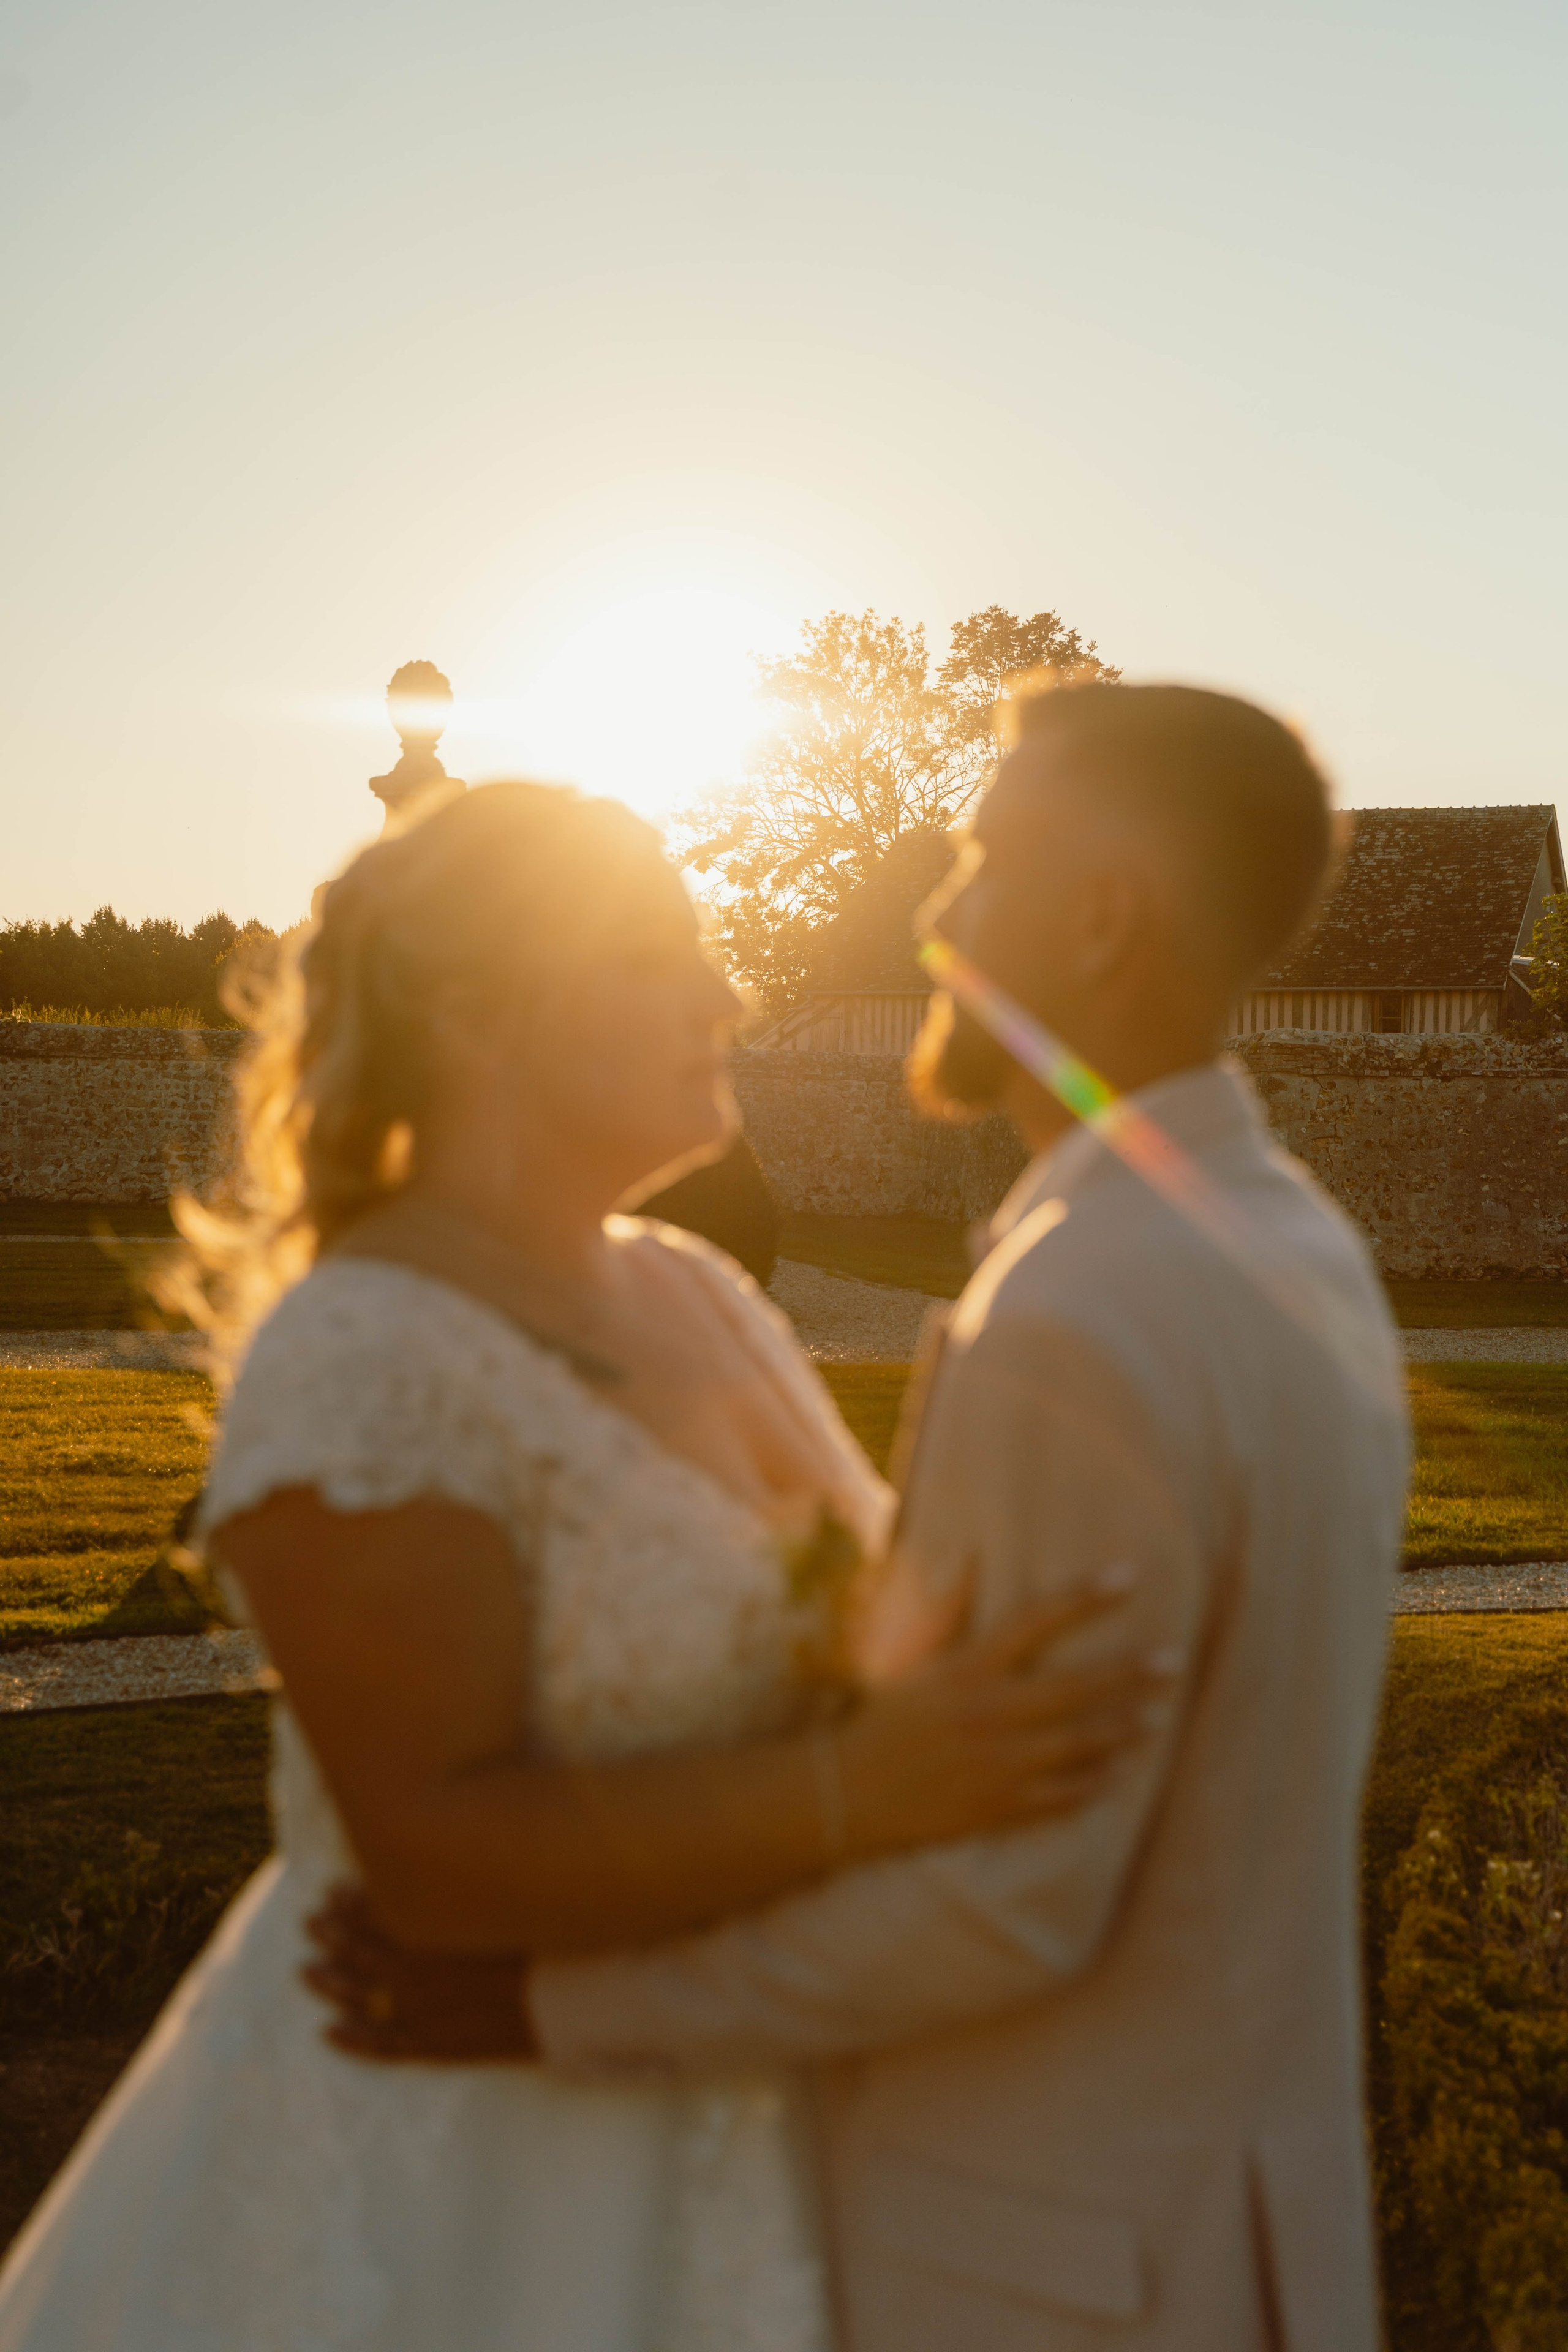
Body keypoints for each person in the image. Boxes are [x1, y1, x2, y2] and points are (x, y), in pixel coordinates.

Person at [311, 684, 1412, 2351]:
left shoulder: (1088, 1308)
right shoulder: (1297, 1249)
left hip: (1057, 2268)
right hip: (1237, 2234)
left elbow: (1011, 1894)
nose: (939, 914)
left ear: (1102, 913)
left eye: (981, 857)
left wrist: (562, 2008)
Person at [0, 780, 1159, 2352]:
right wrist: (871, 1792)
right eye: (655, 954)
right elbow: (435, 1859)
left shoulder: (691, 1287)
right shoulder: (362, 1352)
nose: (725, 994)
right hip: (453, 2174)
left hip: (734, 2097)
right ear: (483, 1011)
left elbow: (880, 1629)